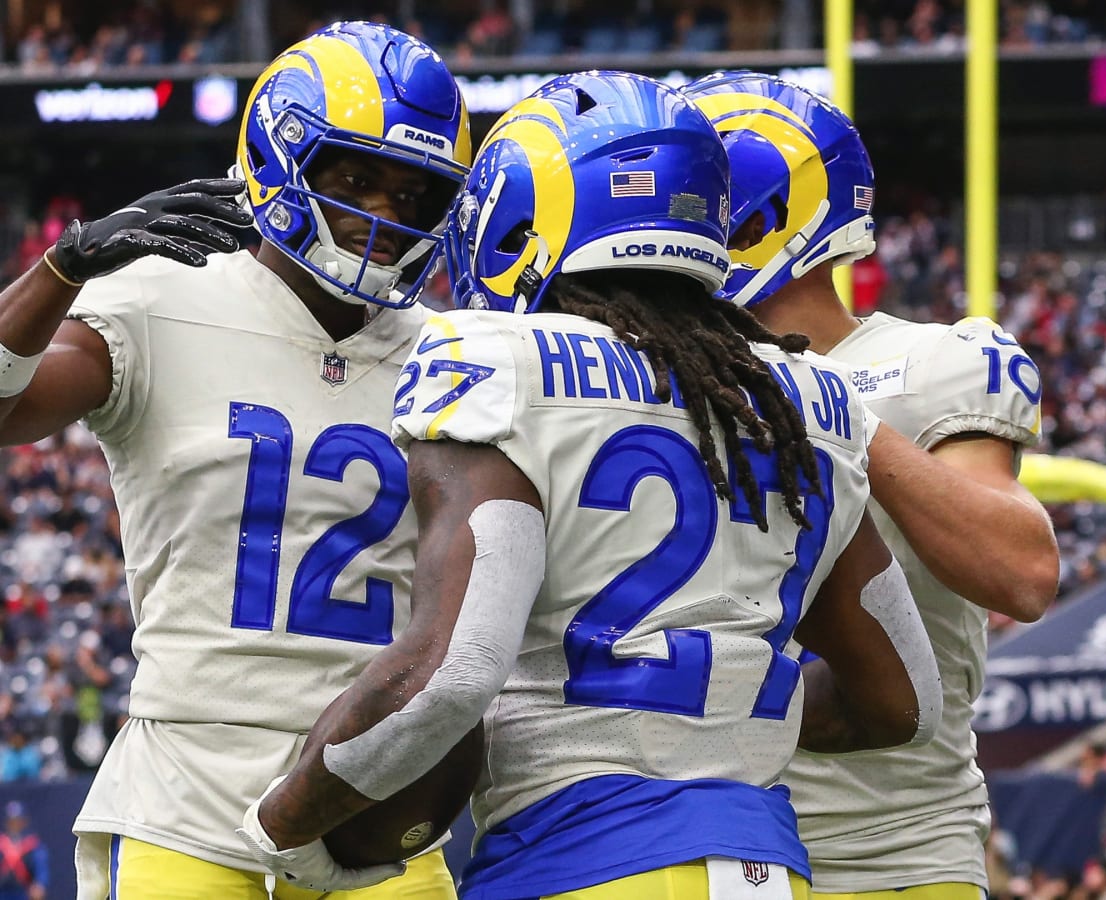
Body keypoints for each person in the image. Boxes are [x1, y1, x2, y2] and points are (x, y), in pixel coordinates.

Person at [237, 70, 942, 899]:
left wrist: (280, 828)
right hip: (764, 867)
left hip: (579, 859)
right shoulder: (808, 397)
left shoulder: (494, 360)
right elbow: (903, 701)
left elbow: (455, 673)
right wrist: (728, 707)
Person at [0, 20, 470, 900]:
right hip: (188, 795)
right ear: (281, 163)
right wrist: (61, 267)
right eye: (356, 179)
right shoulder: (161, 297)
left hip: (371, 803)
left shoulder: (453, 352)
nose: (384, 217)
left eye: (415, 196)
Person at [684, 71, 1060, 899]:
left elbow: (1022, 572)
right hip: (702, 838)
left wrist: (833, 413)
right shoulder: (660, 379)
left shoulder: (931, 365)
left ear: (753, 217)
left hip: (885, 852)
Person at [0, 802, 48, 900]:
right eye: (12, 822)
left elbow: (40, 866)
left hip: (23, 891)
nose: (15, 825)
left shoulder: (32, 844)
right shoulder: (2, 842)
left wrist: (40, 884)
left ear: (24, 822)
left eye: (18, 821)